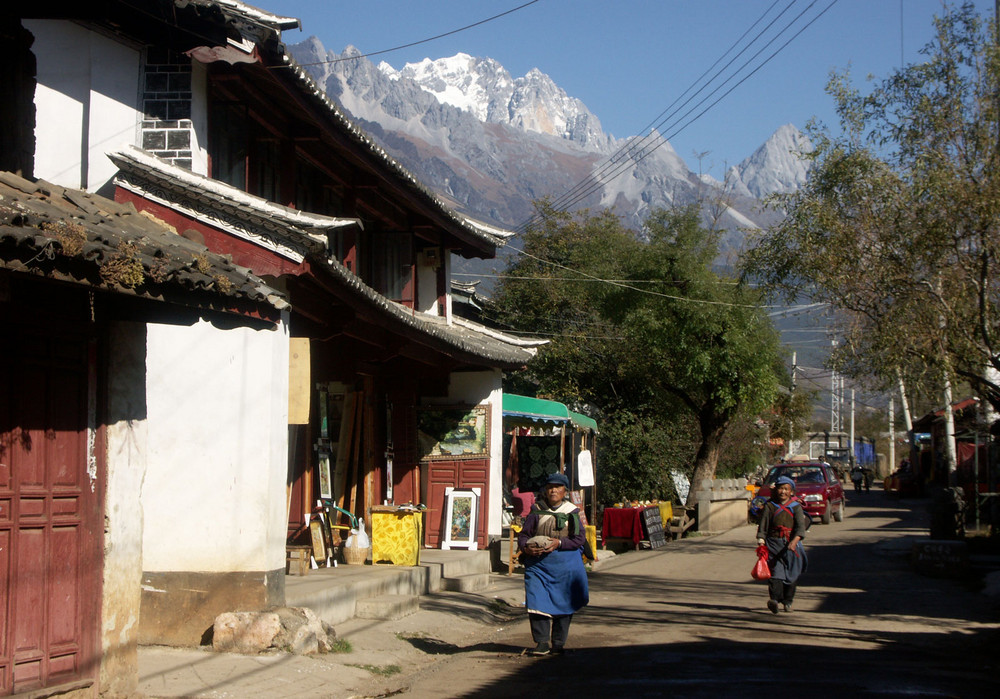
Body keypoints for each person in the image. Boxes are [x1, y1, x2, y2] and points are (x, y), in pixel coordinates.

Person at [517, 472, 589, 655]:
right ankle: (541, 642)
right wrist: (526, 548)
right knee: (536, 600)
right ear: (545, 490)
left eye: (557, 487)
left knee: (564, 602)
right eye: (550, 487)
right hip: (539, 566)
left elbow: (580, 539)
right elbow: (524, 535)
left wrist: (560, 543)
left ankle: (558, 643)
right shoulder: (536, 510)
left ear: (564, 490)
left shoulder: (572, 511)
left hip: (565, 566)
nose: (553, 490)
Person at [755, 475, 808, 614]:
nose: (783, 492)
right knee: (776, 573)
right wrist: (761, 541)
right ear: (776, 490)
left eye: (786, 489)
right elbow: (763, 526)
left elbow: (800, 528)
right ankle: (774, 600)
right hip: (773, 543)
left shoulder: (796, 507)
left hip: (791, 545)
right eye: (780, 488)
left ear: (791, 491)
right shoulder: (770, 506)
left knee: (791, 574)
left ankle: (788, 601)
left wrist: (794, 541)